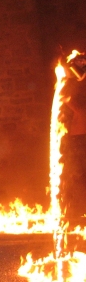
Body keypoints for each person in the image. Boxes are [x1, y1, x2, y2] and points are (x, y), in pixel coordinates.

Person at [62, 53, 86, 220]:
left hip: (80, 140)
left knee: (78, 173)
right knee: (75, 172)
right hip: (77, 139)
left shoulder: (82, 111)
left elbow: (78, 109)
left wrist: (66, 101)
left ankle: (78, 207)